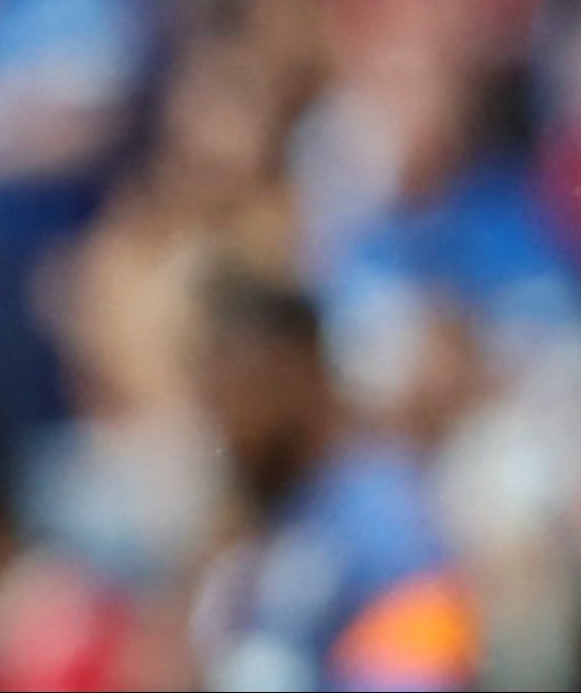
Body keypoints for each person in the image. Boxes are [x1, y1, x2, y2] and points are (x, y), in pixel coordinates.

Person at [192, 271, 481, 691]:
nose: (229, 420)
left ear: (302, 373)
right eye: (217, 394)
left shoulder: (384, 511)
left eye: (245, 387)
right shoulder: (257, 516)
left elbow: (420, 674)